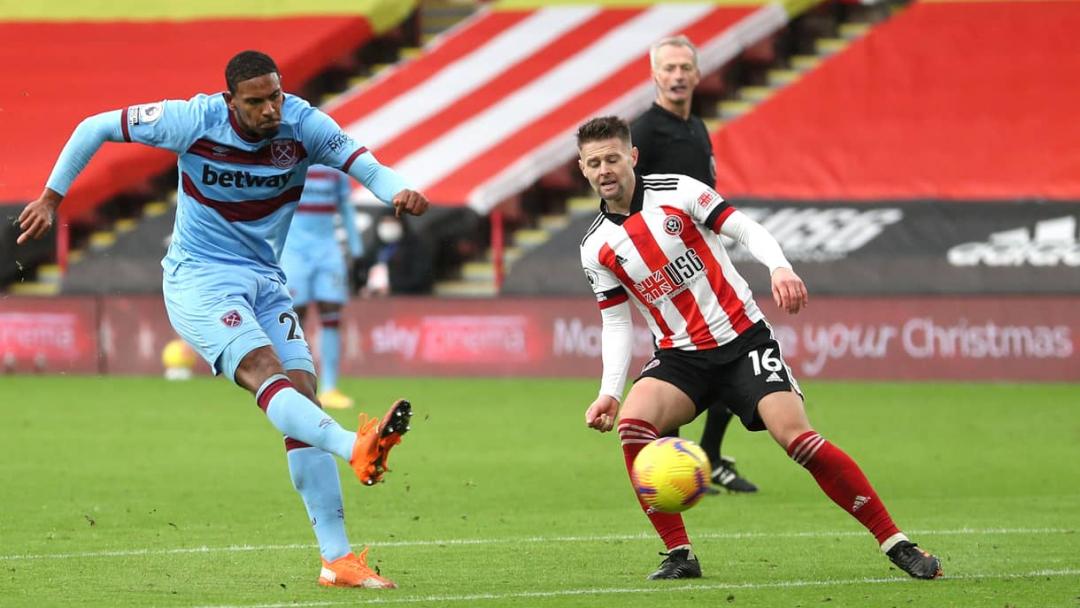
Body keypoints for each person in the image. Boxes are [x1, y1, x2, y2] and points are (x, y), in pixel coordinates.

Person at [17, 50, 430, 589]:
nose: (270, 110)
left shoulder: (303, 125)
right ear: (230, 100)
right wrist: (52, 197)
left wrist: (394, 190)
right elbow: (93, 126)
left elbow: (364, 162)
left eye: (275, 96)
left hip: (265, 280)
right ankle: (355, 446)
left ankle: (337, 561)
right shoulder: (192, 119)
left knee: (303, 397)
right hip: (199, 279)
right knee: (266, 371)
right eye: (256, 102)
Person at [575, 115, 941, 581]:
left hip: (743, 341)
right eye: (594, 163)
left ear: (632, 157)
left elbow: (745, 229)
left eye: (612, 158)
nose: (604, 169)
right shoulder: (596, 246)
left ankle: (897, 543)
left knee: (798, 440)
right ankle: (679, 554)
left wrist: (780, 268)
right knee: (633, 426)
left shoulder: (679, 191)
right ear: (582, 169)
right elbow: (614, 322)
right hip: (680, 358)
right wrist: (609, 391)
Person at [631, 35, 757, 493]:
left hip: (706, 266)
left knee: (730, 350)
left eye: (685, 67)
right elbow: (625, 199)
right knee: (678, 366)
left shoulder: (696, 127)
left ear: (698, 74)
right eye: (669, 68)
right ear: (655, 76)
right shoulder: (643, 133)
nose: (678, 75)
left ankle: (711, 457)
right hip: (667, 273)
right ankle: (674, 471)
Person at [281, 164, 362, 410]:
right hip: (293, 251)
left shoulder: (333, 168)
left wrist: (356, 248)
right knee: (295, 318)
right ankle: (296, 384)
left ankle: (330, 387)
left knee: (331, 315)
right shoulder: (288, 161)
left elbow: (346, 207)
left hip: (327, 250)